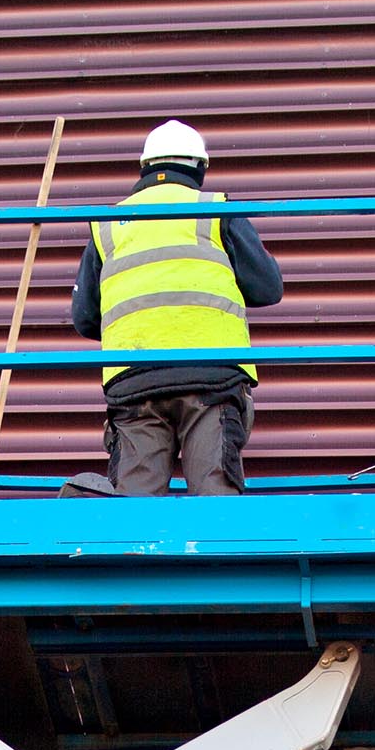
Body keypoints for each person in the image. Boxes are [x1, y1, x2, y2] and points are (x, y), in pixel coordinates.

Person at [67, 120, 283, 495]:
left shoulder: (107, 224)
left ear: (144, 168)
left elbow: (86, 318)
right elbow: (267, 288)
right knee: (216, 504)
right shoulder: (214, 208)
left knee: (135, 509)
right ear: (200, 168)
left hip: (134, 382)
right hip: (211, 377)